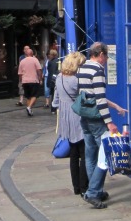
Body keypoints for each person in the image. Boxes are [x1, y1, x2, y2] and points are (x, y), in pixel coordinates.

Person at [77, 42, 126, 209]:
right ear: (101, 54)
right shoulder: (97, 70)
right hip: (97, 119)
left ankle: (95, 191)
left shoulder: (82, 68)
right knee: (105, 156)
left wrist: (116, 106)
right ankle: (93, 192)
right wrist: (110, 122)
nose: (106, 60)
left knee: (90, 155)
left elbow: (88, 95)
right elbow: (99, 99)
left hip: (84, 117)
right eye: (106, 56)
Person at [52, 51, 88, 196]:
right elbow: (85, 98)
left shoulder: (59, 77)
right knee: (84, 153)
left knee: (73, 153)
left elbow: (56, 100)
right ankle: (84, 186)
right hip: (77, 117)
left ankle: (76, 187)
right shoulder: (76, 80)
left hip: (65, 118)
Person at [18, 48, 42, 116]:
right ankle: (29, 107)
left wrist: (21, 81)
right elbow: (39, 70)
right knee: (35, 95)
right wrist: (40, 79)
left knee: (28, 96)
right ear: (32, 54)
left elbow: (20, 73)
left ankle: (29, 110)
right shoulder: (35, 60)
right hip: (33, 80)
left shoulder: (22, 61)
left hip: (25, 81)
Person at [47, 48, 60, 113]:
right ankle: (55, 108)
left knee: (52, 94)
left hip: (50, 79)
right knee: (56, 94)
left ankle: (53, 109)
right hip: (56, 79)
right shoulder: (58, 61)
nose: (49, 55)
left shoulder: (49, 62)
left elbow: (48, 70)